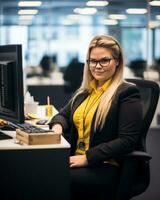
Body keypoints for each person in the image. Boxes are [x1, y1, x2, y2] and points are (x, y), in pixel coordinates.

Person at [49, 35, 143, 200]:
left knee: (50, 180)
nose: (97, 66)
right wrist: (57, 128)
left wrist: (87, 158)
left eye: (104, 60)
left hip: (105, 165)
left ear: (117, 61)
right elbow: (63, 115)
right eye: (92, 61)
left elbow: (127, 141)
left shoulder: (126, 93)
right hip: (77, 159)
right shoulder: (86, 92)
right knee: (38, 168)